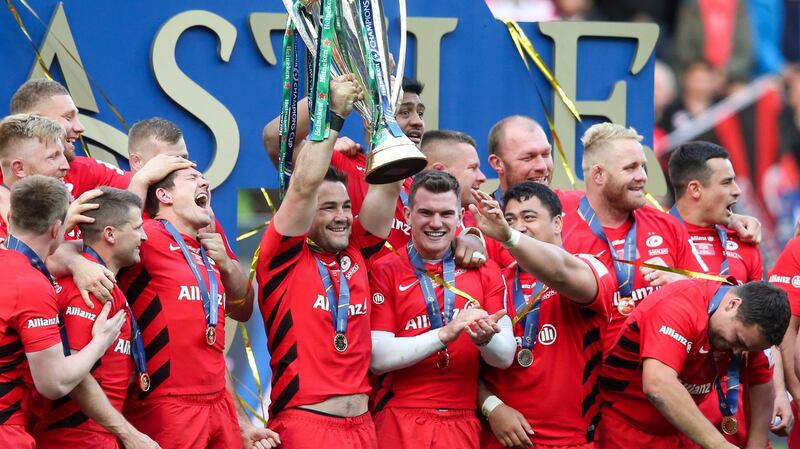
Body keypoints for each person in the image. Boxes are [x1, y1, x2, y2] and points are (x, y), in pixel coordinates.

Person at [255, 74, 397, 448]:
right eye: (328, 207)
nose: (342, 216)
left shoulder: (357, 253)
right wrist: (332, 116)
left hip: (364, 428)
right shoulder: (282, 256)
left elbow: (388, 185)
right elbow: (303, 187)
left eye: (347, 206)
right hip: (307, 425)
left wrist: (383, 115)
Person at [369, 170, 515, 449]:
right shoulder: (384, 269)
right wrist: (445, 334)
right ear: (408, 215)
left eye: (446, 214)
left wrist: (485, 339)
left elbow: (505, 355)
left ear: (460, 216)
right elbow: (378, 357)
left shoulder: (486, 270)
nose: (436, 223)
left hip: (461, 420)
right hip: (400, 416)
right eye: (426, 213)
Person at [469, 182, 615, 449]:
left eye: (529, 217)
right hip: (503, 440)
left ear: (558, 223)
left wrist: (508, 237)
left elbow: (560, 271)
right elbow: (462, 365)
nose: (518, 226)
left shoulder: (590, 267)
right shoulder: (494, 281)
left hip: (571, 441)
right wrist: (491, 406)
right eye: (510, 219)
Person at [668, 141, 789, 444]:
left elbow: (764, 327)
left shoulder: (745, 243)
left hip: (734, 410)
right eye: (727, 182)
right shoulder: (655, 237)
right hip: (673, 413)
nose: (737, 190)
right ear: (695, 189)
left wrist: (779, 392)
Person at [0, 175, 125, 448]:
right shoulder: (32, 285)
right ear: (57, 229)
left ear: (9, 217)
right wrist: (100, 342)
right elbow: (53, 383)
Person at [559, 123, 703, 353]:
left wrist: (680, 283)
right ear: (598, 174)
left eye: (643, 167)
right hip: (584, 379)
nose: (643, 177)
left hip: (649, 378)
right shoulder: (560, 224)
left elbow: (706, 296)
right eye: (630, 168)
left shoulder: (666, 225)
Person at [33, 187, 157, 449]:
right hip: (78, 439)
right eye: (137, 228)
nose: (144, 237)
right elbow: (74, 376)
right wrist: (129, 434)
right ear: (110, 234)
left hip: (95, 436)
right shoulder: (89, 289)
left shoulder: (102, 280)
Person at [597, 280, 788, 448]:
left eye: (747, 349)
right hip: (627, 427)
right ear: (732, 305)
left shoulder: (750, 332)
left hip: (680, 429)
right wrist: (720, 445)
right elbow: (658, 385)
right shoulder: (679, 307)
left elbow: (762, 381)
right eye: (737, 340)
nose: (737, 352)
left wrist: (756, 445)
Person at [8, 78, 135, 196]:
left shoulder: (84, 169)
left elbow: (142, 189)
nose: (80, 127)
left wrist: (142, 179)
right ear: (37, 121)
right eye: (68, 117)